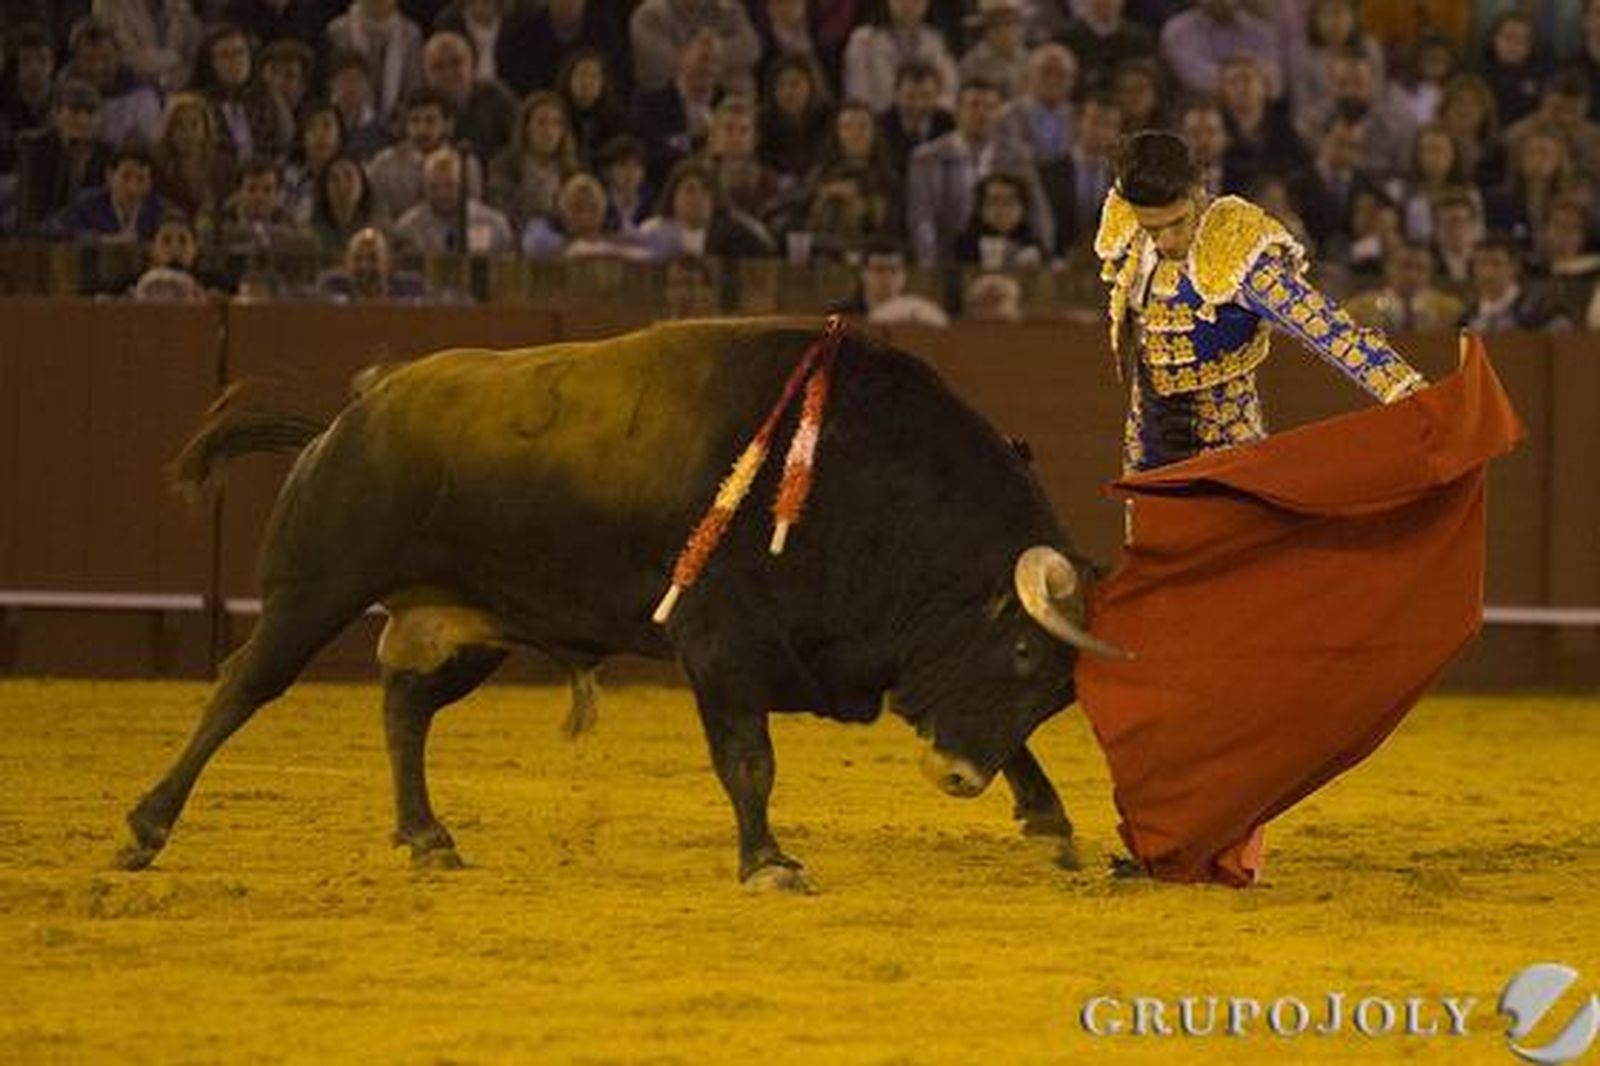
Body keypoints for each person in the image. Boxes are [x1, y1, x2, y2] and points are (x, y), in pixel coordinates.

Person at [1093, 130, 1425, 474]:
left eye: (1178, 223)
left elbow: (1325, 327)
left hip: (1224, 447)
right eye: (1153, 229)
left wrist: (1408, 392)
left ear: (1198, 190)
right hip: (1147, 444)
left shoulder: (1235, 247)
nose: (1166, 241)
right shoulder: (1132, 225)